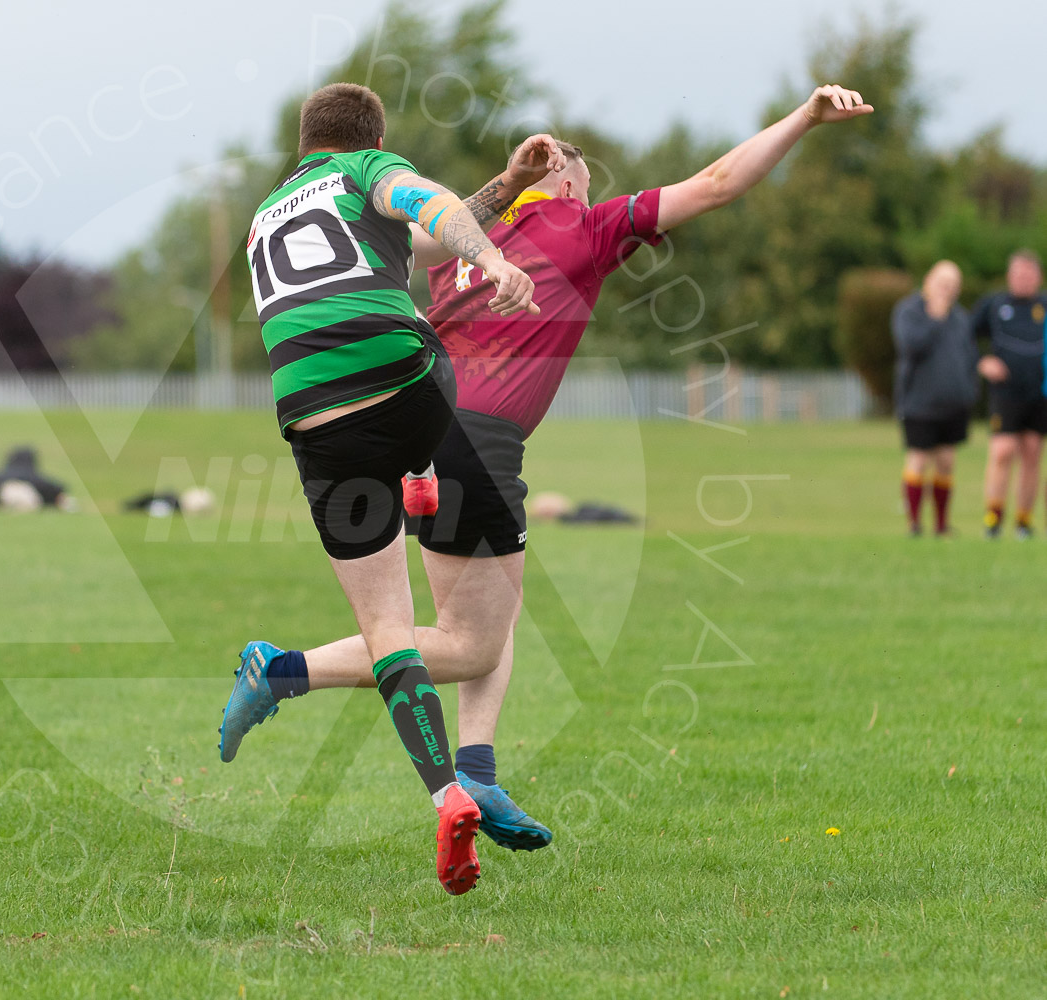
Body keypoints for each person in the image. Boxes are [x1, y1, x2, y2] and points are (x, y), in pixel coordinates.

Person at [221, 84, 874, 853]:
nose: (591, 189)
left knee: (448, 631)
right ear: (565, 183)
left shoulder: (448, 253)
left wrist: (497, 200)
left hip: (407, 426)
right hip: (470, 435)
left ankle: (461, 761)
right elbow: (717, 185)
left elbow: (442, 220)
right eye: (586, 178)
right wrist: (803, 117)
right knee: (471, 643)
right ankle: (310, 684)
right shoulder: (581, 225)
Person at [219, 82, 549, 896]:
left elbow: (413, 238)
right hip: (403, 377)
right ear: (368, 138)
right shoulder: (369, 168)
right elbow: (430, 207)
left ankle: (445, 798)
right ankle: (423, 474)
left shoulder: (267, 214)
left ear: (304, 142)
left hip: (310, 413)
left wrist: (504, 188)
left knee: (387, 631)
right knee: (434, 367)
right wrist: (495, 255)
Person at [892, 261, 976, 536]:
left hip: (953, 403)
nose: (947, 290)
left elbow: (968, 356)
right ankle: (914, 523)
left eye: (953, 285)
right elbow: (911, 347)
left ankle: (942, 525)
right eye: (942, 283)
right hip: (919, 402)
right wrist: (934, 319)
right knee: (919, 458)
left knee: (947, 460)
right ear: (928, 280)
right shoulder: (909, 311)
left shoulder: (960, 317)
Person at [973, 250, 1047, 538]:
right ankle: (993, 518)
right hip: (1006, 393)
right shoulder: (993, 305)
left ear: (1038, 277)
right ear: (1009, 276)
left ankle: (1023, 521)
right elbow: (964, 336)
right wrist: (982, 361)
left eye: (1029, 274)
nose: (1024, 279)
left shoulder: (1044, 305)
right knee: (1002, 452)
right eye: (1018, 274)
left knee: (1031, 453)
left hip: (1040, 394)